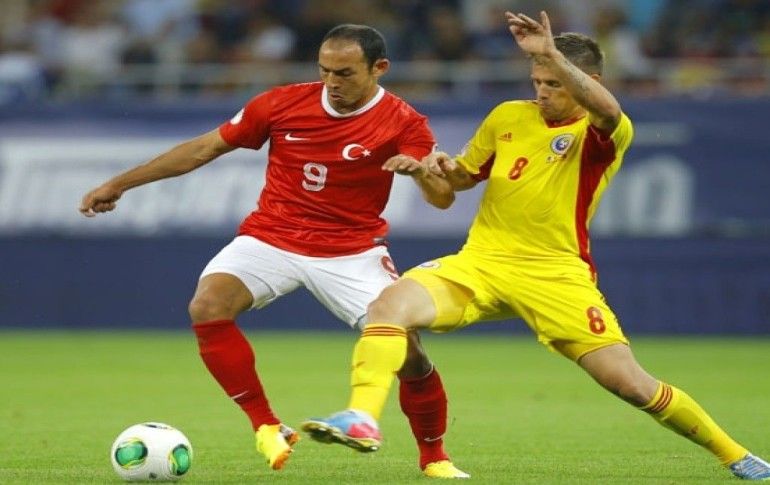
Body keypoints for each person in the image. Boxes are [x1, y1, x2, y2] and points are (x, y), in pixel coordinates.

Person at [302, 11, 770, 481]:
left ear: (587, 82)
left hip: (555, 273)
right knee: (388, 306)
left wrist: (550, 52)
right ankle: (361, 416)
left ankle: (736, 455)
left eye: (554, 84)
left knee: (631, 385)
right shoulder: (508, 116)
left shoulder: (601, 131)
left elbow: (609, 111)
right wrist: (431, 170)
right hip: (481, 263)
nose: (542, 93)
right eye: (538, 82)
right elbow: (460, 181)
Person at [79, 24, 469, 479]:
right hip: (272, 236)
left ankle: (434, 456)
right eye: (324, 70)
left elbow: (443, 198)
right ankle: (266, 425)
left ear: (379, 68)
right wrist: (120, 184)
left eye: (344, 73)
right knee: (207, 305)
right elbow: (204, 148)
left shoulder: (405, 121)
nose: (331, 82)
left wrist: (419, 173)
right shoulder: (282, 103)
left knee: (408, 353)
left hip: (350, 250)